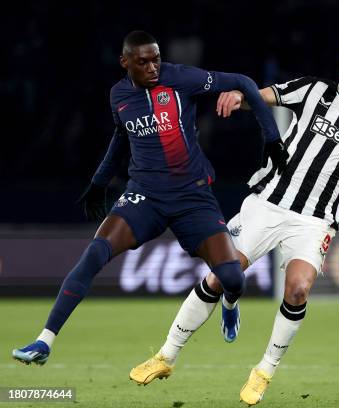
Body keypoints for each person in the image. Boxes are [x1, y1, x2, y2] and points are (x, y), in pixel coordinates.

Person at [130, 38, 339, 405]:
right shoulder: (313, 90)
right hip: (267, 203)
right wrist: (239, 96)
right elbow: (263, 94)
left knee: (298, 289)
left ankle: (264, 370)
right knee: (221, 275)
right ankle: (166, 355)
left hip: (315, 220)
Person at [11, 30, 287, 366]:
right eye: (143, 62)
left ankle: (229, 306)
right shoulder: (119, 95)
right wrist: (100, 181)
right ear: (125, 62)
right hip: (145, 195)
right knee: (95, 253)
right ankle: (44, 342)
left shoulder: (180, 78)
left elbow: (243, 81)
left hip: (192, 196)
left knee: (233, 279)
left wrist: (271, 139)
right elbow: (121, 137)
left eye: (155, 58)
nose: (153, 67)